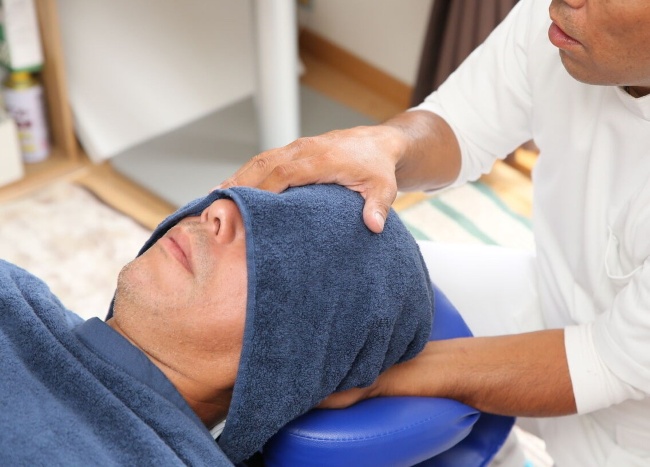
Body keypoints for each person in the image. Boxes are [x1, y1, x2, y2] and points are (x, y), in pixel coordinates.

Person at [218, 0, 650, 464]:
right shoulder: (562, 21)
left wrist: (379, 379)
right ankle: (496, 451)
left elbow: (602, 363)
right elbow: (461, 126)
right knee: (336, 293)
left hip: (632, 420)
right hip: (553, 301)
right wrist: (386, 145)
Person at [0, 185, 434, 465]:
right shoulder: (16, 294)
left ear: (290, 361)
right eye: (251, 200)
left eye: (274, 246)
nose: (219, 210)